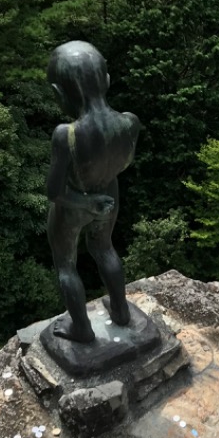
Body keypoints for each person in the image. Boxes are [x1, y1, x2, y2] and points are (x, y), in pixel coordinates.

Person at [46, 40, 140, 344]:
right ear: (107, 81)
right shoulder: (129, 123)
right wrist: (99, 200)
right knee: (104, 248)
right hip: (109, 195)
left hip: (73, 203)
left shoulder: (66, 135)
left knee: (66, 264)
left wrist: (85, 202)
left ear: (58, 94)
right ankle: (122, 312)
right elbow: (125, 162)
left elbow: (53, 191)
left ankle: (82, 329)